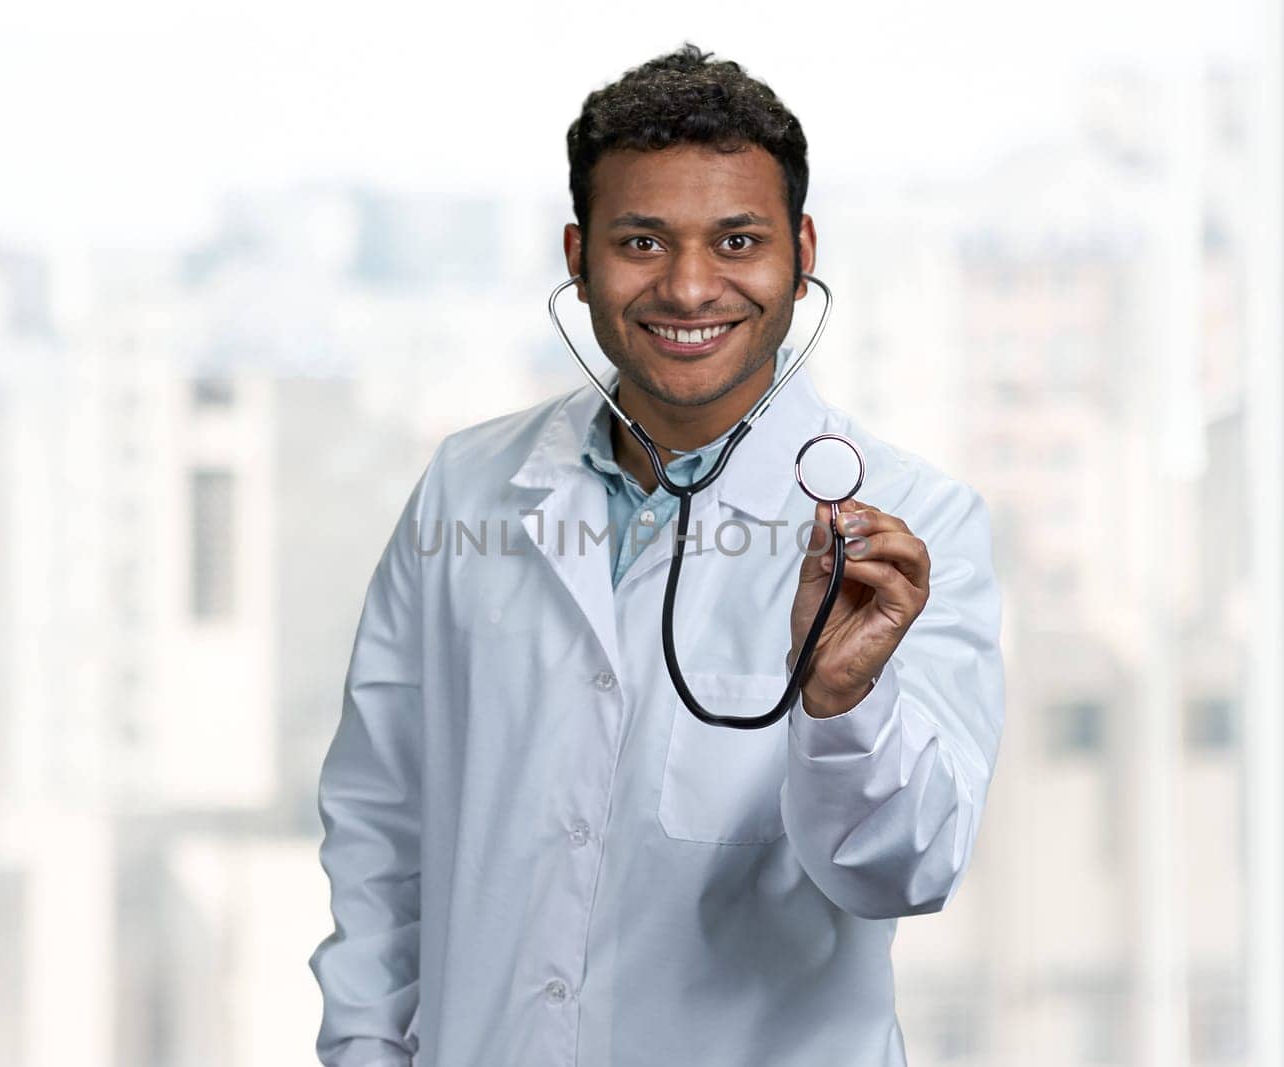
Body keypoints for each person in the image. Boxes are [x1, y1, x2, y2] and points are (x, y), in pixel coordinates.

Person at [309, 43, 1005, 1067]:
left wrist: (841, 704)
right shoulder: (466, 489)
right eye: (641, 240)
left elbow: (907, 868)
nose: (688, 287)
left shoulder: (911, 522)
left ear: (801, 251)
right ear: (578, 255)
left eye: (736, 239)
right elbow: (381, 827)